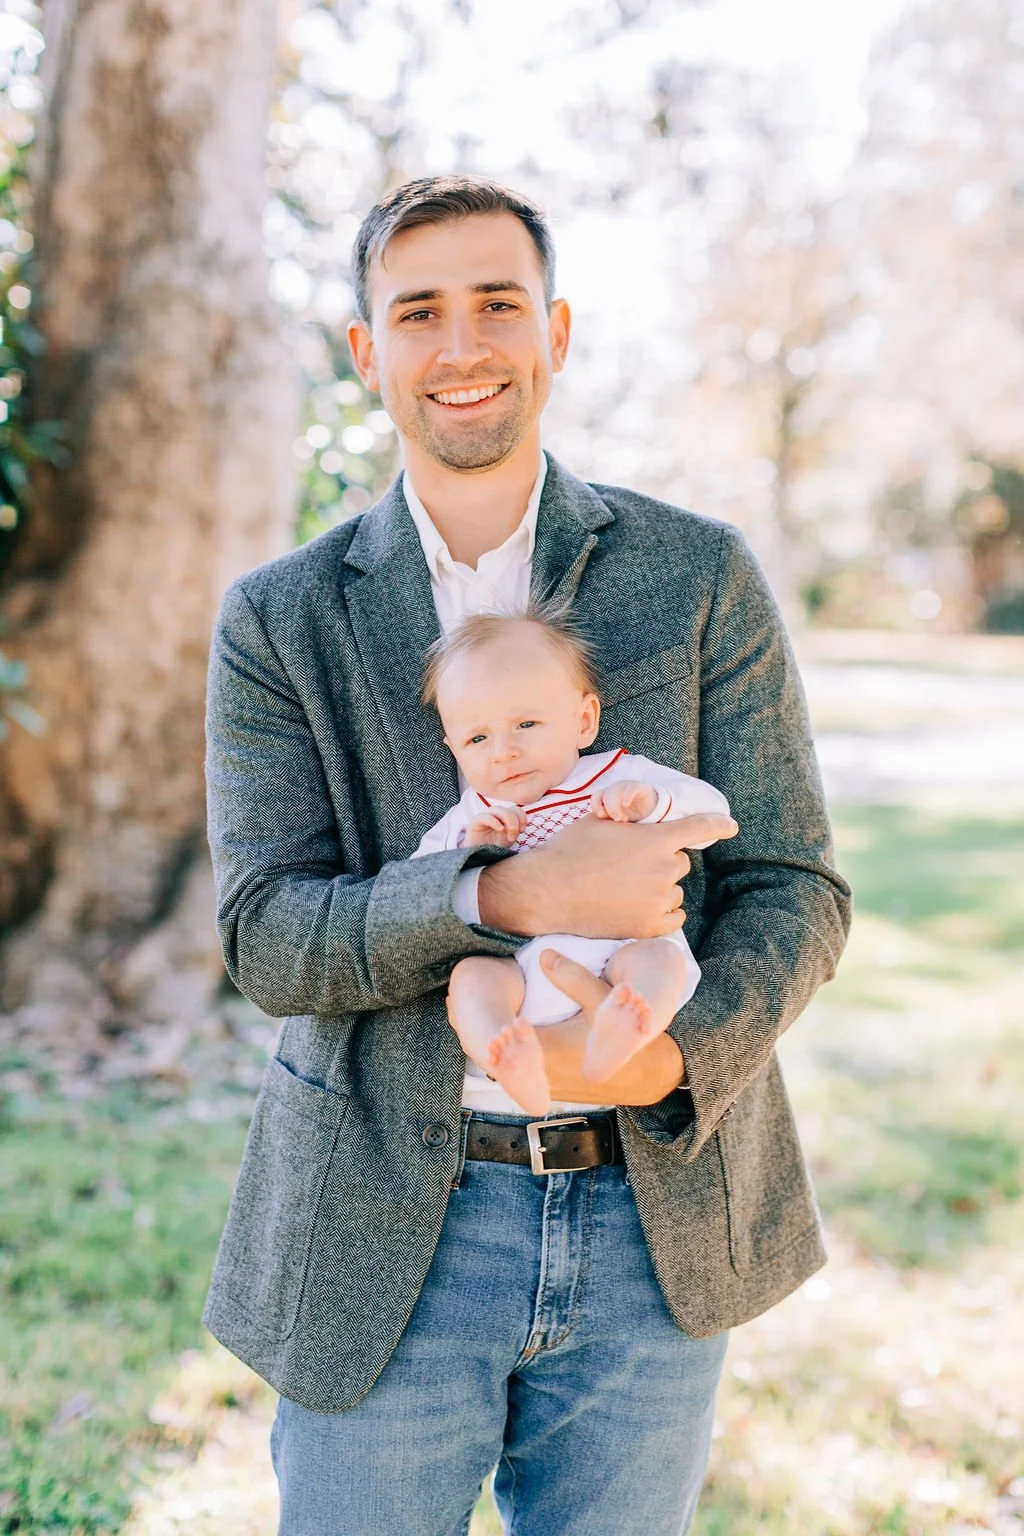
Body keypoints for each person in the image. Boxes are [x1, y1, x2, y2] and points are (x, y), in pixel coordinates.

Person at [202, 175, 852, 1536]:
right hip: (389, 1226)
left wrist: (669, 1055)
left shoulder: (698, 575)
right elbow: (267, 934)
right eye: (418, 312)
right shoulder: (281, 621)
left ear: (555, 330)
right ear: (366, 351)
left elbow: (792, 886)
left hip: (652, 1218)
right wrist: (503, 894)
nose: (463, 345)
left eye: (498, 304)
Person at [415, 606, 732, 1114]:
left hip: (620, 953)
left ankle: (627, 1025)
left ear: (584, 721)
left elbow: (716, 813)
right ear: (454, 748)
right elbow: (416, 894)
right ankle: (506, 1051)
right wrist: (470, 851)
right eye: (478, 738)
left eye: (526, 723)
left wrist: (649, 803)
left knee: (658, 959)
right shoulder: (475, 812)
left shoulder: (617, 774)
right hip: (514, 970)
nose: (504, 752)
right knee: (472, 978)